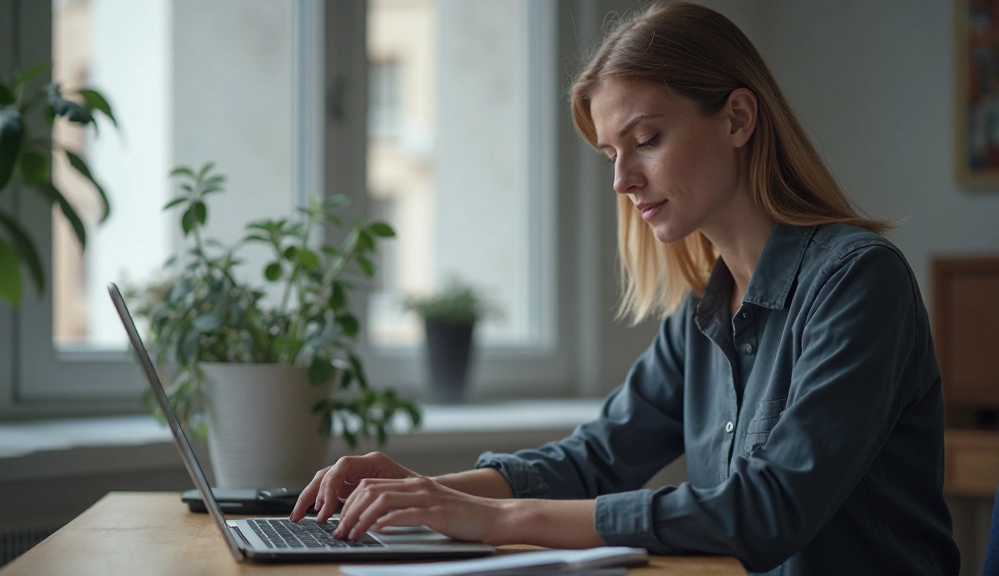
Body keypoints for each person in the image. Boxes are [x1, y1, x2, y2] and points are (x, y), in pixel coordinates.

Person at [290, 2, 961, 574]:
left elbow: (769, 508)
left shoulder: (859, 282)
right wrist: (420, 490)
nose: (623, 181)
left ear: (737, 119)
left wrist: (495, 516)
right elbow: (595, 460)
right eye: (613, 154)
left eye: (645, 139)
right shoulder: (704, 311)